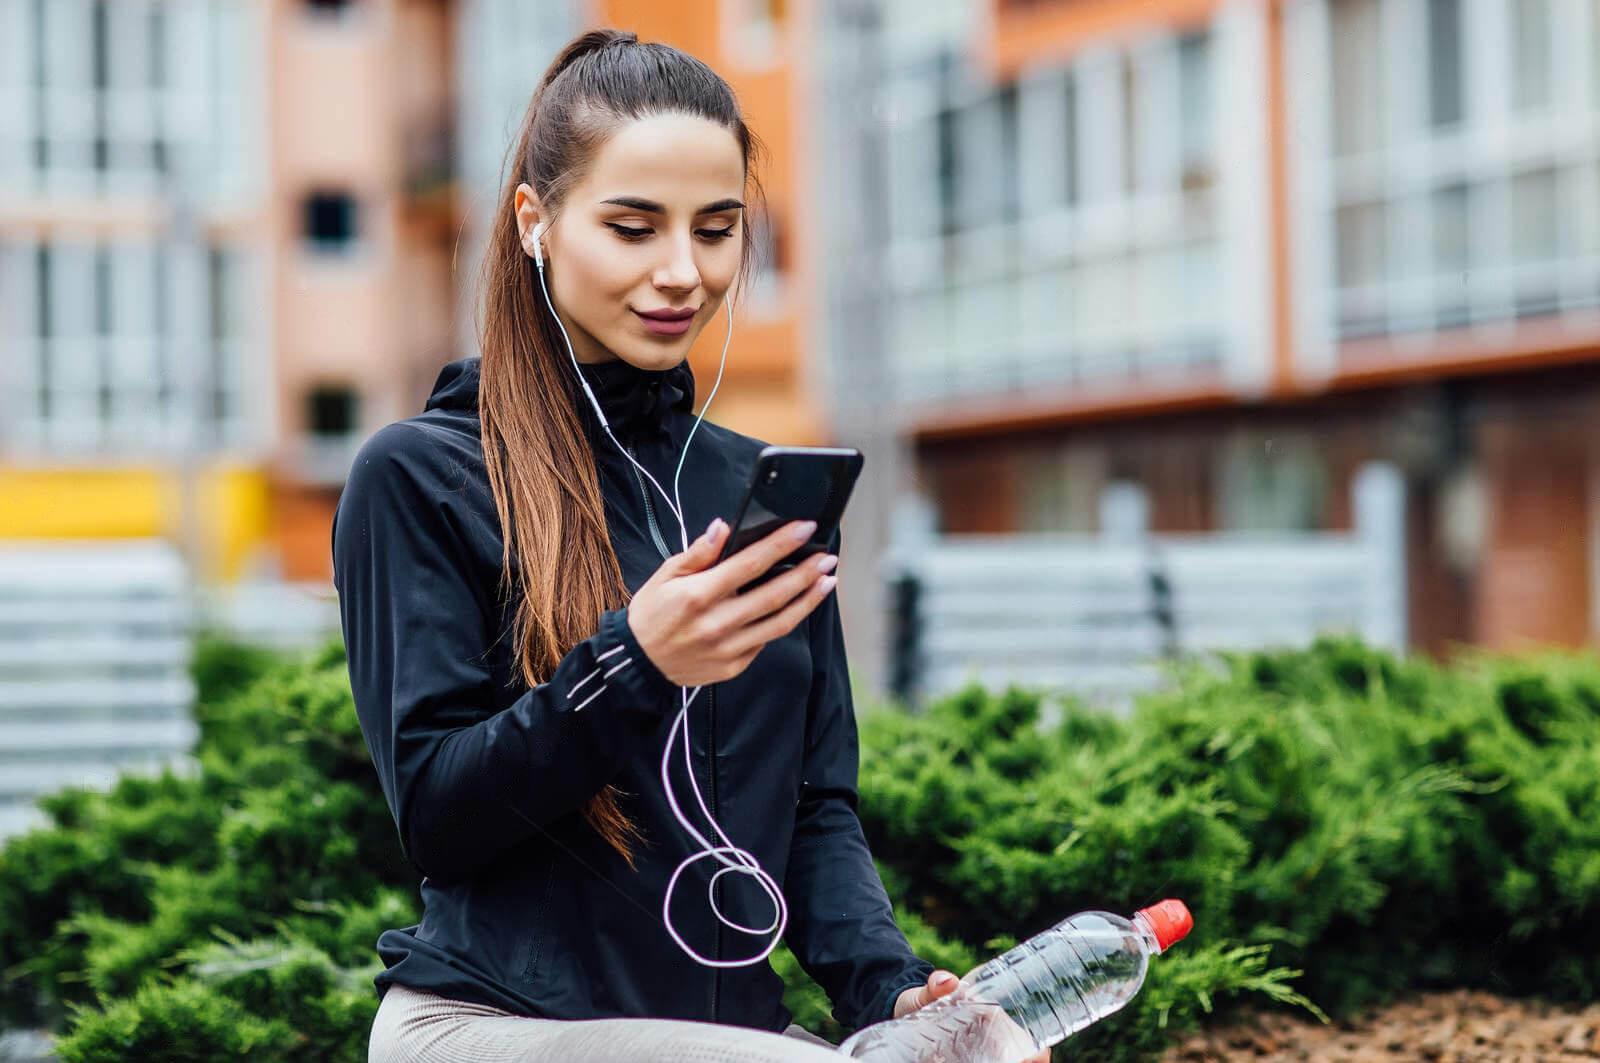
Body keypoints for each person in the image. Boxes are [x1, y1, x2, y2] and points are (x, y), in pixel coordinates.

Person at [333, 27, 1050, 1063]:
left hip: (725, 1035)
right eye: (633, 227)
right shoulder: (418, 475)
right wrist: (634, 663)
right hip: (494, 1028)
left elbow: (812, 806)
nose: (682, 272)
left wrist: (891, 994)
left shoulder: (749, 485)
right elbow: (439, 815)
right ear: (536, 222)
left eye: (715, 230)